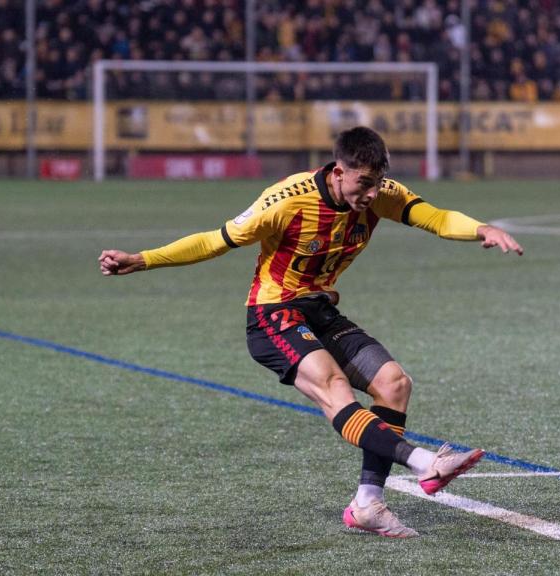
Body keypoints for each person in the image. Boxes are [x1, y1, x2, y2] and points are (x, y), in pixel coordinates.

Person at [98, 127, 523, 538]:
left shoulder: (379, 196)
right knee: (334, 385)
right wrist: (143, 259)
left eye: (378, 182)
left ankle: (367, 506)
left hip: (319, 310)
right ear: (339, 172)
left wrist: (481, 228)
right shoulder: (285, 201)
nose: (373, 193)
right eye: (364, 183)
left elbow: (437, 217)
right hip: (273, 314)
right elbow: (215, 241)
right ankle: (426, 461)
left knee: (394, 384)